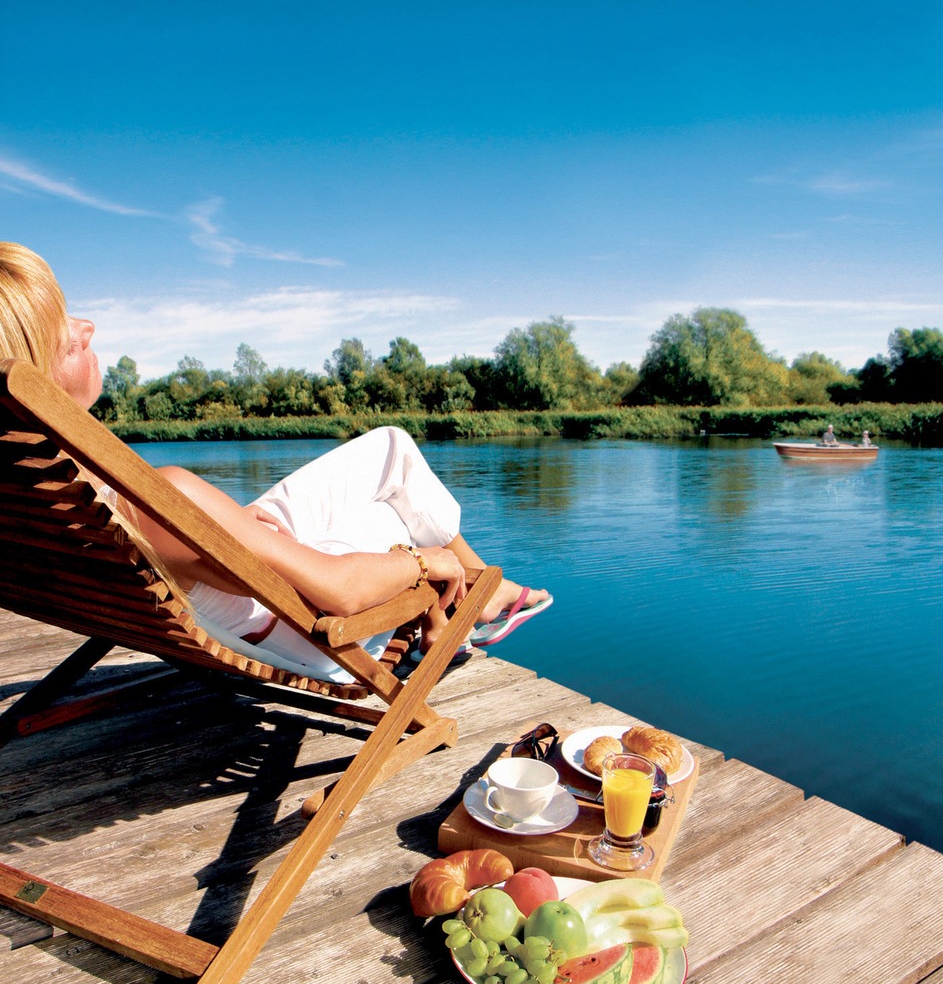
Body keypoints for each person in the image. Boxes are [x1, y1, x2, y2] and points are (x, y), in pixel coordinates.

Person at [0, 242, 552, 683]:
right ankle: (472, 596)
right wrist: (424, 561)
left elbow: (186, 550)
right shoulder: (157, 499)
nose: (87, 327)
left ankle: (471, 599)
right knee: (395, 510)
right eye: (66, 336)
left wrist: (229, 531)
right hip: (309, 636)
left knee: (391, 448)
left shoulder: (36, 489)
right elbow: (340, 592)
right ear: (39, 380)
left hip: (236, 589)